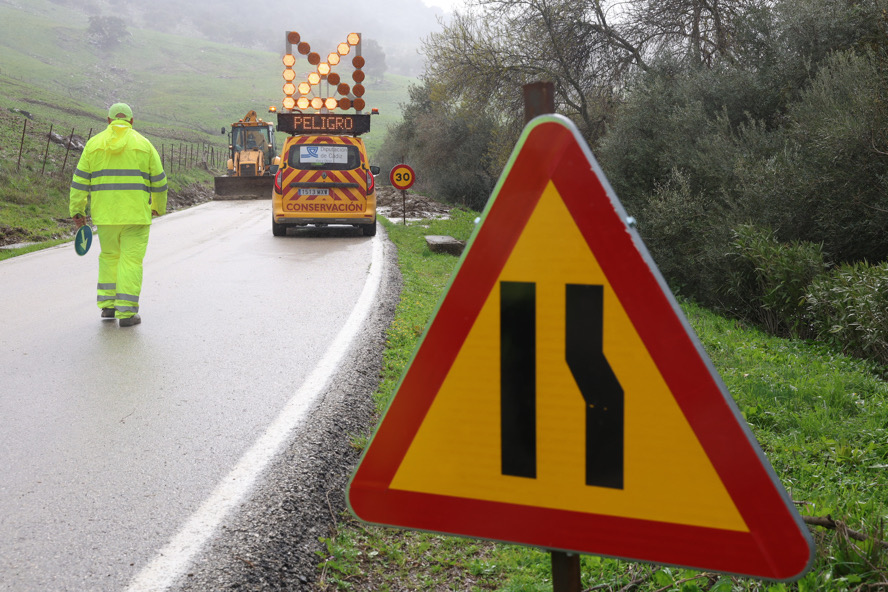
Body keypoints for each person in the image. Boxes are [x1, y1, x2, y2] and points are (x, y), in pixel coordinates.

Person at [69, 102, 167, 327]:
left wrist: (77, 211)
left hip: (105, 217)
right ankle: (127, 313)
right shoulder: (144, 145)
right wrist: (158, 207)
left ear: (108, 121)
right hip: (136, 216)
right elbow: (160, 183)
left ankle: (108, 307)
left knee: (109, 257)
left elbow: (79, 182)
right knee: (130, 261)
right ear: (132, 121)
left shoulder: (93, 145)